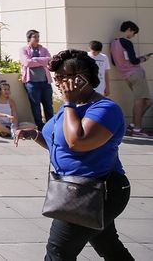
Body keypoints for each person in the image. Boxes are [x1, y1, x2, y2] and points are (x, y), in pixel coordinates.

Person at [14, 49, 132, 260]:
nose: (58, 83)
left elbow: (78, 142)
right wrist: (35, 135)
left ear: (82, 77)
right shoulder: (73, 107)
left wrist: (68, 103)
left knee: (58, 251)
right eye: (56, 77)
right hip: (75, 187)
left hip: (99, 190)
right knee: (109, 246)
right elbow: (60, 144)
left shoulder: (104, 108)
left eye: (63, 77)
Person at [110, 20, 151, 137]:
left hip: (126, 75)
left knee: (147, 101)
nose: (133, 35)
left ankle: (133, 125)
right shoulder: (127, 43)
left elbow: (114, 61)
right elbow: (133, 60)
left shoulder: (113, 43)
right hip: (136, 73)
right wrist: (144, 59)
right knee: (141, 100)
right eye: (134, 33)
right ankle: (137, 129)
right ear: (129, 30)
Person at [19, 29, 54, 130]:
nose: (37, 39)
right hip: (32, 83)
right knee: (35, 105)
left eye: (38, 37)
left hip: (45, 82)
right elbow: (27, 63)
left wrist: (34, 60)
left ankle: (51, 125)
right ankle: (40, 126)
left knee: (48, 104)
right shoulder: (23, 50)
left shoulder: (43, 49)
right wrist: (41, 60)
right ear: (29, 38)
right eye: (35, 37)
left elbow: (49, 60)